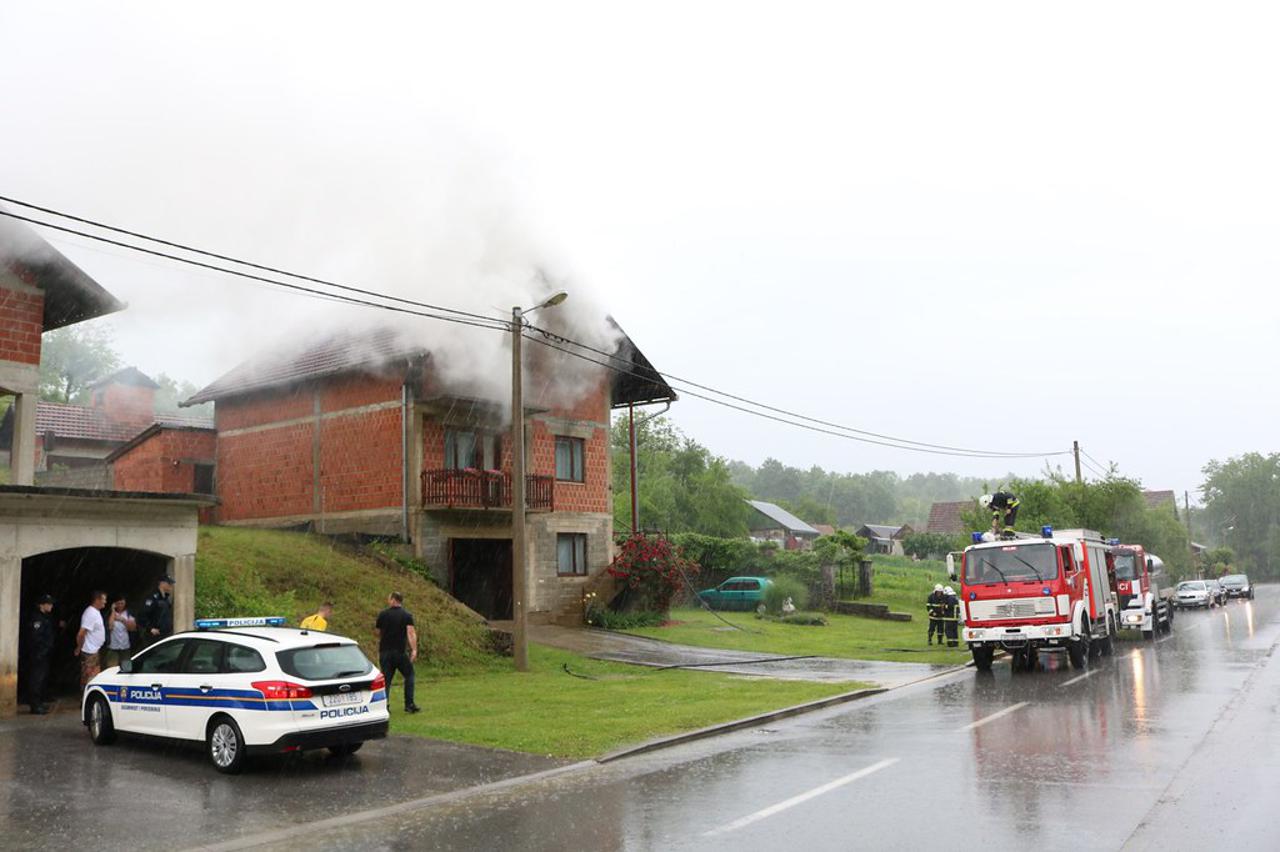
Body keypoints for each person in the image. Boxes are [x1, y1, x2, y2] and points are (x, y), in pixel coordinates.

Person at [375, 592, 420, 714]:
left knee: (386, 679)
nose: (388, 600)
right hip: (399, 651)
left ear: (393, 600)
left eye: (389, 598)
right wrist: (414, 649)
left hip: (385, 651)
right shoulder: (406, 615)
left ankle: (384, 705)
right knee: (409, 675)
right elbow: (411, 633)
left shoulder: (383, 614)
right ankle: (409, 704)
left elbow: (377, 632)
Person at [23, 594, 56, 714]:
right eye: (49, 604)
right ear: (42, 605)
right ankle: (35, 705)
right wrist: (41, 651)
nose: (51, 606)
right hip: (38, 654)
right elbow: (35, 638)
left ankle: (39, 702)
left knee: (42, 678)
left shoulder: (45, 617)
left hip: (43, 654)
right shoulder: (37, 619)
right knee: (36, 679)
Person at [74, 591, 108, 691]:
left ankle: (89, 694)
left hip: (94, 650)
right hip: (90, 651)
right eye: (103, 599)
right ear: (97, 600)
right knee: (90, 677)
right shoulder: (91, 613)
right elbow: (81, 633)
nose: (105, 602)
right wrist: (79, 647)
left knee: (94, 676)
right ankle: (86, 695)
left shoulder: (96, 612)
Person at [137, 576, 175, 649]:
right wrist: (150, 628)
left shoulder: (166, 598)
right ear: (162, 583)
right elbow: (142, 615)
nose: (171, 586)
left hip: (165, 635)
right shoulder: (152, 597)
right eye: (169, 583)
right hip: (154, 636)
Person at [103, 594, 136, 670]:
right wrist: (113, 611)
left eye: (122, 603)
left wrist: (122, 620)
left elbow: (132, 628)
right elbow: (110, 627)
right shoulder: (109, 614)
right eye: (118, 603)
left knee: (126, 669)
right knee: (111, 669)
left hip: (125, 646)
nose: (120, 605)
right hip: (113, 646)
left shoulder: (128, 613)